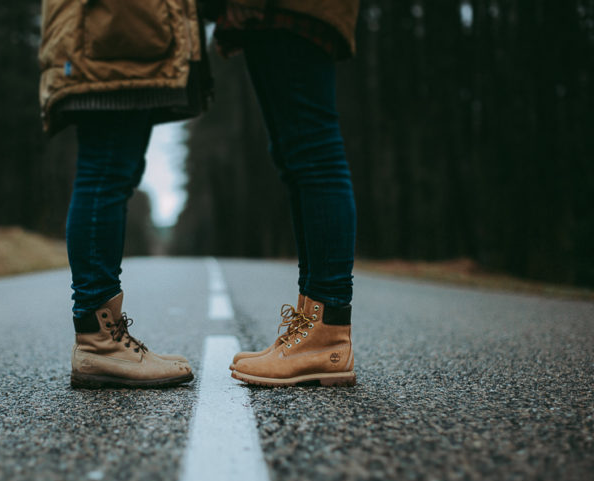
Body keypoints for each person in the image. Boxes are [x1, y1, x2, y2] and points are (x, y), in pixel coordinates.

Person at [38, 0, 359, 389]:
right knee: (305, 154)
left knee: (307, 154)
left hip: (106, 28)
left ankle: (323, 334)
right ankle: (320, 333)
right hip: (105, 27)